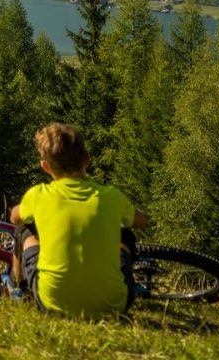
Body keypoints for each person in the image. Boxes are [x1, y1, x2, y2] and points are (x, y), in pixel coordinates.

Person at [10, 123, 149, 317]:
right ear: (86, 159)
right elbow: (141, 221)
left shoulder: (39, 195)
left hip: (52, 305)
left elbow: (14, 217)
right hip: (114, 307)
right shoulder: (111, 196)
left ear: (45, 166)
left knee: (23, 230)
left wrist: (22, 209)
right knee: (125, 235)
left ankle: (18, 288)